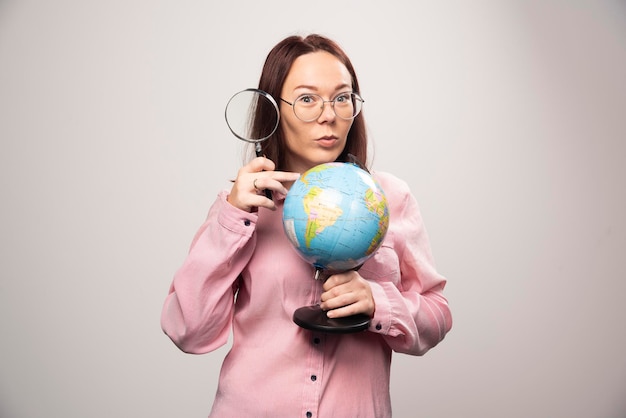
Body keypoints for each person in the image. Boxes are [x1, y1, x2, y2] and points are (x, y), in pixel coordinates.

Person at [161, 34, 452, 418]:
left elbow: (437, 315)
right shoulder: (243, 208)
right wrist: (232, 219)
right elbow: (189, 330)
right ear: (275, 111)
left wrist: (378, 301)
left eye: (342, 98)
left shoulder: (388, 198)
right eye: (307, 99)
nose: (328, 115)